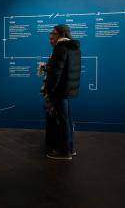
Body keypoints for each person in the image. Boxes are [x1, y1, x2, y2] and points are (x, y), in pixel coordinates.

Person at [44, 24, 81, 160]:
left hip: (60, 91)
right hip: (68, 90)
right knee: (68, 119)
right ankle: (70, 147)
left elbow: (56, 73)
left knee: (63, 120)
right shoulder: (74, 48)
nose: (51, 36)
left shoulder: (60, 48)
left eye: (53, 33)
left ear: (61, 34)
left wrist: (48, 90)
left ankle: (65, 152)